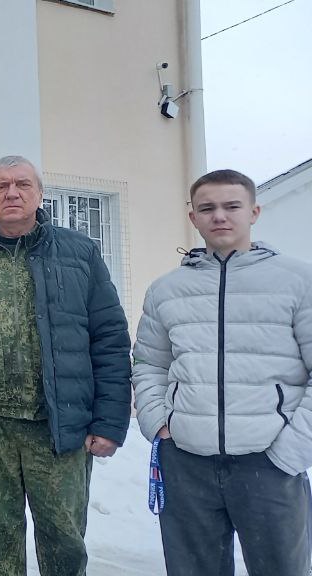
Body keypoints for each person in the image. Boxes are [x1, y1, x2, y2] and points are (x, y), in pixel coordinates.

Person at [0, 155, 131, 576]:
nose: (12, 193)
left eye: (22, 184)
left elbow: (109, 339)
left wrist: (109, 420)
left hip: (57, 427)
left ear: (40, 194)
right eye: (1, 186)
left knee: (63, 542)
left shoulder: (80, 254)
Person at [133, 169, 312, 576]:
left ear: (254, 212)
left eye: (232, 206)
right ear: (193, 217)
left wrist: (291, 451)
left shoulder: (298, 282)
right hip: (187, 464)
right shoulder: (166, 290)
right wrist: (159, 422)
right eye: (207, 208)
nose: (219, 216)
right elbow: (149, 364)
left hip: (269, 463)